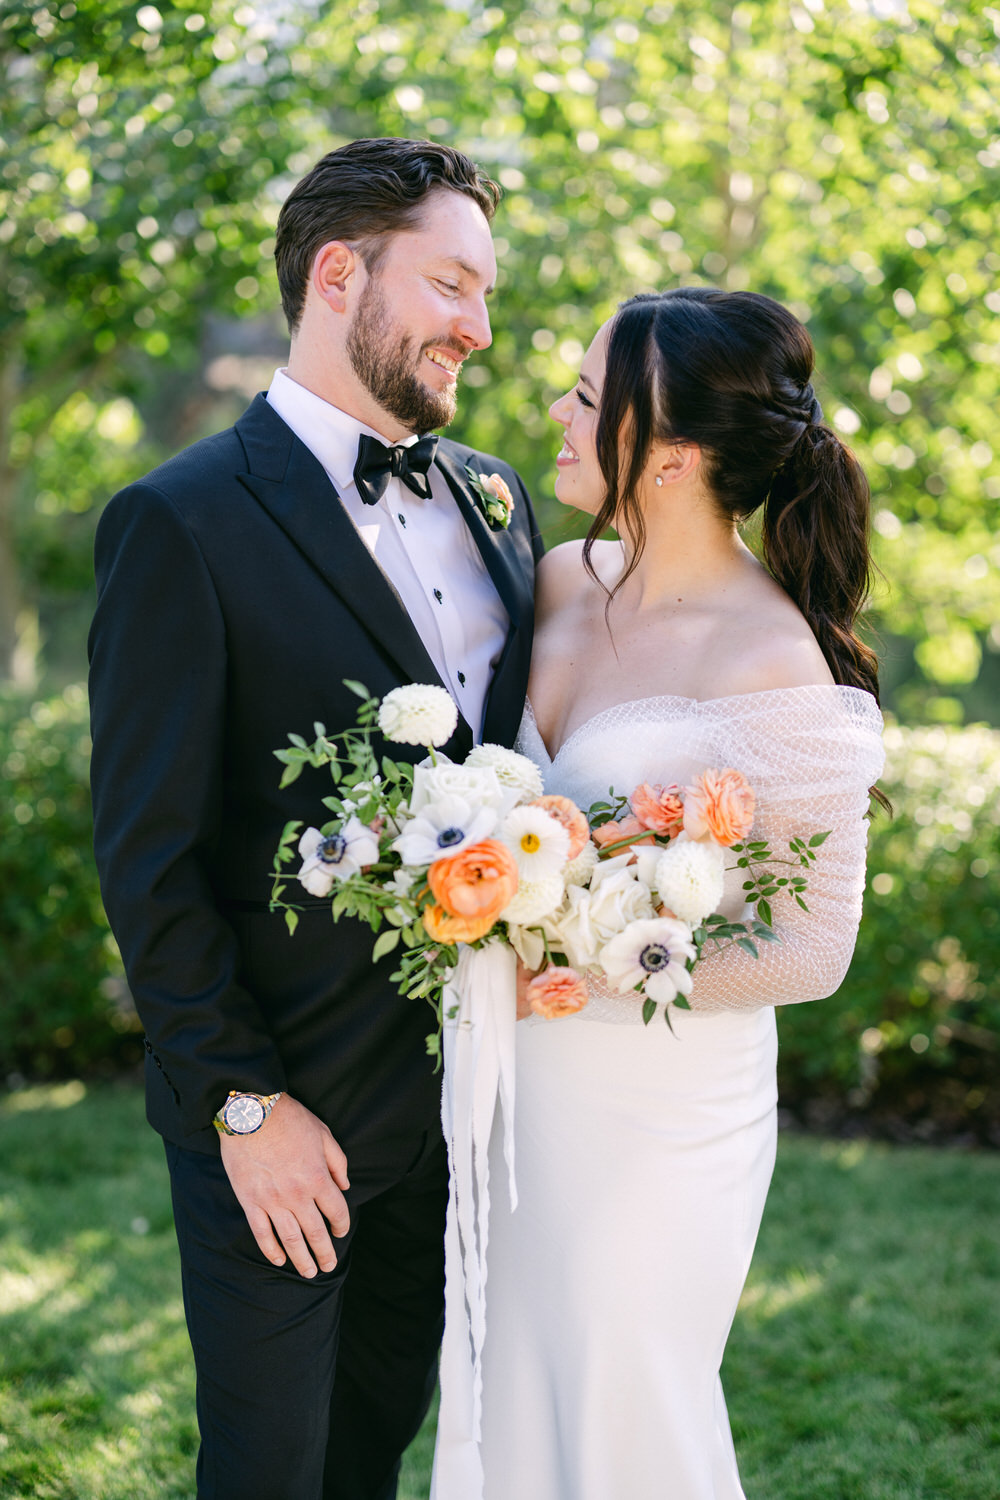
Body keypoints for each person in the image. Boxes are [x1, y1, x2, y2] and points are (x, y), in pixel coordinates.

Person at [88, 137, 543, 1500]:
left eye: (486, 295)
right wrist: (242, 1104)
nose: (479, 325)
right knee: (270, 1474)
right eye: (452, 284)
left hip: (462, 1113)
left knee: (373, 1458)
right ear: (339, 273)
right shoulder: (179, 522)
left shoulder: (496, 501)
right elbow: (147, 856)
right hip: (286, 1133)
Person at [431, 287, 885, 1499]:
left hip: (659, 1109)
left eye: (587, 398)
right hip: (517, 1088)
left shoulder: (770, 659)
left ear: (671, 457)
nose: (558, 413)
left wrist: (587, 963)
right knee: (506, 1384)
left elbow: (808, 949)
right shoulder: (562, 580)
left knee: (631, 1394)